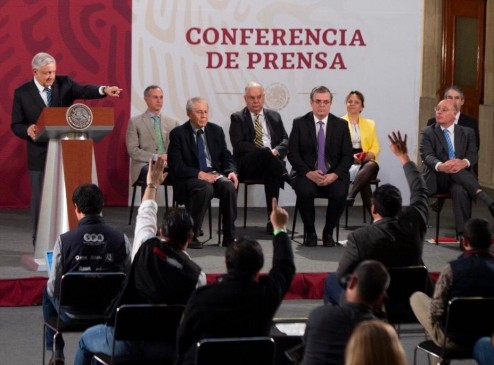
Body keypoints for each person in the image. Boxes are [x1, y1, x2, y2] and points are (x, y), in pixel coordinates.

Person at [74, 157, 206, 365]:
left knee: (84, 341)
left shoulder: (146, 246)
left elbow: (146, 211)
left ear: (161, 231)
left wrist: (152, 184)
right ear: (190, 238)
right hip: (168, 347)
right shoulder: (197, 276)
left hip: (126, 342)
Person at [11, 52, 122, 247]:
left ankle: (75, 237)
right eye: (46, 73)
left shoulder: (64, 84)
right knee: (40, 200)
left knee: (73, 194)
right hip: (39, 154)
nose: (51, 77)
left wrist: (104, 90)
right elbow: (16, 124)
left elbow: (85, 90)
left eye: (53, 72)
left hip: (68, 152)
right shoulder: (22, 93)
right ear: (35, 72)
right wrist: (27, 129)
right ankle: (39, 240)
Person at [174, 198, 296, 365]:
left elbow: (183, 342)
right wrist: (279, 229)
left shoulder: (202, 297)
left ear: (226, 263)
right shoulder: (266, 294)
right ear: (259, 267)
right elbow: (285, 266)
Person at [324, 130, 428, 305]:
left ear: (374, 209)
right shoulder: (415, 220)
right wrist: (404, 157)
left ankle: (344, 325)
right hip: (411, 299)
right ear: (399, 206)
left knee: (331, 281)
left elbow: (344, 277)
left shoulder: (359, 237)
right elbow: (420, 190)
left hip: (374, 301)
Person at [43, 184, 131, 365]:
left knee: (47, 289)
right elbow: (128, 280)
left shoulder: (64, 241)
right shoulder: (122, 239)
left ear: (76, 207)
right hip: (109, 310)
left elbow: (55, 288)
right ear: (102, 206)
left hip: (73, 312)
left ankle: (57, 349)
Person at [410, 217, 494, 351]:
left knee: (417, 297)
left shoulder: (451, 270)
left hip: (454, 340)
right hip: (488, 337)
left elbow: (435, 312)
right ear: (491, 241)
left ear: (464, 241)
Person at [168, 96, 238, 248]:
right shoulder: (178, 134)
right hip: (191, 176)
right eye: (199, 112)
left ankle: (229, 237)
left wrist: (231, 171)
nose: (204, 116)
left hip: (213, 173)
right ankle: (191, 235)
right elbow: (176, 166)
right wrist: (201, 174)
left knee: (228, 187)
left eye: (206, 112)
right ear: (189, 114)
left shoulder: (216, 130)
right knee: (205, 188)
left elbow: (226, 156)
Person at [287, 86, 353, 247]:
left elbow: (347, 156)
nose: (321, 105)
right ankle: (310, 231)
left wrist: (334, 175)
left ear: (330, 104)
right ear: (311, 103)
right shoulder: (299, 123)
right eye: (318, 101)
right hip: (307, 173)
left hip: (333, 174)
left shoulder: (341, 125)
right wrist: (309, 173)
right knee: (304, 190)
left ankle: (328, 232)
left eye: (325, 102)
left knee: (339, 192)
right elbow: (292, 154)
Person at [420, 99, 494, 239]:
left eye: (444, 109)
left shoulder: (467, 132)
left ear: (455, 113)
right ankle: (486, 199)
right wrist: (441, 166)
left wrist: (464, 163)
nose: (439, 112)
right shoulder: (428, 132)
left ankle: (463, 235)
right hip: (438, 177)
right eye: (438, 109)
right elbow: (427, 155)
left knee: (460, 189)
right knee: (454, 168)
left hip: (459, 180)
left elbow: (472, 155)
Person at [300, 260, 390, 365]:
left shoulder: (319, 316)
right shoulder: (383, 335)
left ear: (352, 282)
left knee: (331, 281)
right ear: (381, 297)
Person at [229, 81, 290, 233]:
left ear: (264, 97)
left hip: (270, 163)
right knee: (265, 153)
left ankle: (272, 220)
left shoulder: (274, 116)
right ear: (245, 99)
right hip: (247, 165)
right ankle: (288, 177)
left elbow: (285, 140)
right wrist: (266, 152)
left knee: (272, 168)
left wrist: (275, 151)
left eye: (258, 97)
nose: (256, 101)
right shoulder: (238, 118)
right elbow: (239, 145)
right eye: (251, 98)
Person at [126, 85, 180, 188]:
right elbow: (133, 150)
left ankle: (184, 203)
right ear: (146, 99)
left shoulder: (173, 122)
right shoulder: (135, 122)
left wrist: (169, 157)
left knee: (185, 171)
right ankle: (148, 203)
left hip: (168, 163)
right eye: (155, 97)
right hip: (145, 164)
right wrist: (156, 157)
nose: (159, 101)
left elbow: (180, 148)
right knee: (150, 172)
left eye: (161, 97)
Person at [341, 91, 380, 214]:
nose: (352, 104)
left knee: (372, 165)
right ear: (346, 104)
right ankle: (375, 219)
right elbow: (336, 148)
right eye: (349, 101)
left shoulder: (370, 123)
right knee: (365, 182)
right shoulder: (338, 123)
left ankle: (350, 195)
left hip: (366, 160)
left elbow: (375, 145)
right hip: (347, 161)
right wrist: (350, 157)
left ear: (362, 107)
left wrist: (369, 155)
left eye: (356, 102)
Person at [427, 85, 480, 152]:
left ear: (462, 101)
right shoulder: (432, 122)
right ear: (444, 100)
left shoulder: (471, 124)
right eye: (450, 97)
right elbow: (428, 149)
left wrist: (458, 162)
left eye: (457, 98)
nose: (453, 101)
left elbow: (473, 150)